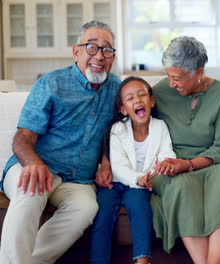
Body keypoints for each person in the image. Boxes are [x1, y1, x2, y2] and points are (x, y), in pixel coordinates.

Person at [0, 20, 121, 264]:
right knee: (30, 191)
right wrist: (33, 164)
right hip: (36, 166)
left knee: (86, 208)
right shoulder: (51, 84)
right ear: (76, 51)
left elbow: (117, 133)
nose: (99, 55)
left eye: (107, 49)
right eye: (92, 47)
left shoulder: (116, 89)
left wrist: (106, 163)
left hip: (78, 180)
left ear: (113, 57)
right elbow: (23, 138)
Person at [149, 36, 220, 264]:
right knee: (182, 185)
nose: (171, 83)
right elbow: (133, 126)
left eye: (177, 78)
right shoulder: (158, 92)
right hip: (171, 168)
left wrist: (189, 165)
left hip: (209, 165)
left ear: (198, 73)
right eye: (168, 76)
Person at [90, 77, 176, 264]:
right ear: (123, 109)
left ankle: (143, 260)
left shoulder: (160, 127)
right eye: (130, 99)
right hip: (118, 182)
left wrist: (166, 164)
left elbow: (166, 153)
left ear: (151, 101)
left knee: (140, 208)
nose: (137, 100)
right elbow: (118, 166)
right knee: (103, 212)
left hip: (142, 184)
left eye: (142, 95)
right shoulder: (117, 129)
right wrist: (138, 179)